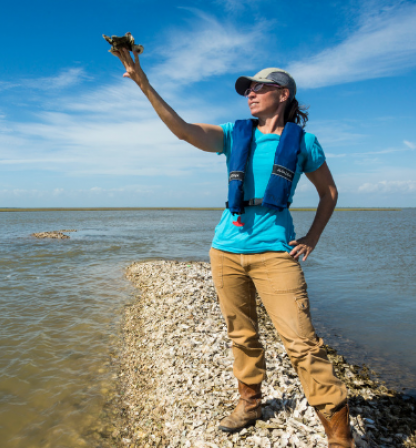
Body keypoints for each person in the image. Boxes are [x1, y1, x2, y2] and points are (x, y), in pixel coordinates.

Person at [112, 46, 353, 448]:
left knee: (301, 342)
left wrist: (311, 238)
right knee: (241, 334)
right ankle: (250, 402)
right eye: (248, 89)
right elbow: (184, 130)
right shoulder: (233, 134)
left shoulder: (304, 143)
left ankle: (339, 434)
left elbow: (329, 193)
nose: (250, 93)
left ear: (284, 94)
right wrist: (144, 84)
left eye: (260, 87)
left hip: (276, 252)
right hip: (225, 249)